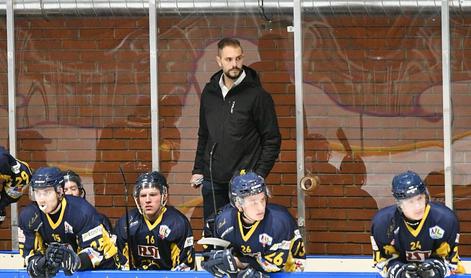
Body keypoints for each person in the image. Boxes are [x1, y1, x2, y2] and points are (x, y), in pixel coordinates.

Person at [190, 37, 281, 222]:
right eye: (229, 59)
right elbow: (204, 133)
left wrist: (258, 175)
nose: (234, 64)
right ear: (219, 61)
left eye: (238, 59)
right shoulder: (209, 93)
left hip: (245, 184)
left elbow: (272, 139)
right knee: (214, 235)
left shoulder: (258, 95)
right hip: (213, 181)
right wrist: (198, 168)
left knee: (246, 240)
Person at [201, 170, 305, 277]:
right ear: (238, 203)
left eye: (263, 199)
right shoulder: (222, 221)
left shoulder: (280, 223)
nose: (261, 207)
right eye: (253, 202)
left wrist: (239, 264)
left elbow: (274, 267)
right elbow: (209, 257)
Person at [18, 167, 117, 277]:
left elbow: (96, 252)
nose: (41, 199)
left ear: (59, 191)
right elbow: (28, 254)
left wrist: (75, 260)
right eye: (37, 192)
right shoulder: (29, 216)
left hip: (103, 270)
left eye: (47, 192)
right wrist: (40, 263)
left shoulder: (82, 212)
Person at [370, 170, 465, 278]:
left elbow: (452, 263)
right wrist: (397, 271)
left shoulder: (446, 220)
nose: (418, 206)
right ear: (399, 203)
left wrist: (439, 269)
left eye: (420, 198)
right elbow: (381, 263)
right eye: (410, 201)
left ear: (426, 196)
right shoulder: (382, 224)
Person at [115, 171, 195, 270]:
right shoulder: (126, 223)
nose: (147, 200)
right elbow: (122, 268)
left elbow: (184, 268)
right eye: (143, 196)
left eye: (153, 195)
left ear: (164, 196)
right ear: (137, 199)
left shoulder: (178, 223)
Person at [63, 169, 114, 234]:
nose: (69, 193)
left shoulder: (95, 218)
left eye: (73, 189)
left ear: (80, 191)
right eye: (65, 190)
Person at [0, 146, 32, 225]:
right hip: (20, 170)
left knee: (2, 204)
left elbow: (4, 177)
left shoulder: (1, 160)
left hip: (18, 181)